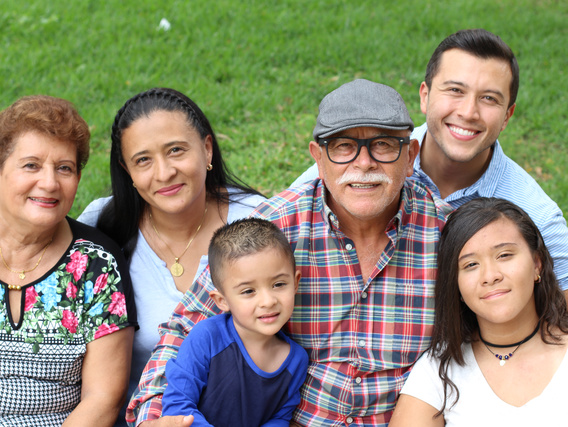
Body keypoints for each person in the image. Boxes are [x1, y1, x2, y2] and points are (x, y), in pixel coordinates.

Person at [127, 79, 450, 426]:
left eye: (384, 145)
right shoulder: (276, 226)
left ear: (411, 156)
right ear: (318, 158)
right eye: (343, 146)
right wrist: (154, 416)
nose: (364, 163)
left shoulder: (447, 236)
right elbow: (186, 328)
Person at [290, 29, 568, 294]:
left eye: (488, 98)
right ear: (425, 96)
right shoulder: (365, 161)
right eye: (455, 91)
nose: (469, 112)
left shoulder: (537, 215)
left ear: (507, 116)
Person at [0, 95, 136, 426]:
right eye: (31, 165)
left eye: (64, 168)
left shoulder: (96, 264)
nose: (50, 183)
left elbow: (103, 399)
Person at [77, 88, 265, 427]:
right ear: (127, 170)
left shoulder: (259, 222)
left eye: (176, 150)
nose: (164, 173)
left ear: (207, 148)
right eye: (143, 160)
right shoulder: (101, 228)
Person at [389, 197, 568, 426]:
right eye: (470, 265)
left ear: (536, 264)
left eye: (504, 255)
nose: (490, 276)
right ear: (457, 285)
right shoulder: (438, 370)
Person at [162, 218, 308, 426]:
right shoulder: (207, 337)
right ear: (222, 300)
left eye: (278, 284)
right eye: (248, 291)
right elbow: (178, 405)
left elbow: (279, 417)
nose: (268, 301)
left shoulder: (296, 361)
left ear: (295, 282)